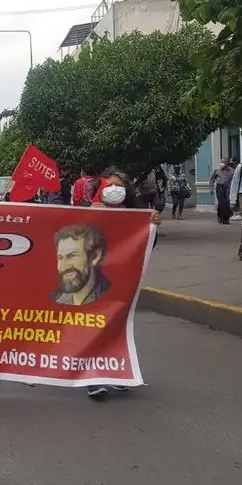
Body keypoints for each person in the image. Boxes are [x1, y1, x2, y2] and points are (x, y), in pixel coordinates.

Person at [87, 167, 161, 400]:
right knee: (93, 327)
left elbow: (147, 245)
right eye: (108, 185)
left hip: (122, 282)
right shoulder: (89, 211)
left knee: (117, 327)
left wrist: (153, 225)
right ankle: (93, 377)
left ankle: (115, 372)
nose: (113, 189)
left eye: (118, 186)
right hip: (93, 280)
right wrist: (89, 216)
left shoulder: (136, 215)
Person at [52, 224, 110, 306]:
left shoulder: (112, 297)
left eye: (73, 256)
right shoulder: (55, 298)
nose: (64, 267)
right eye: (60, 258)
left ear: (95, 257)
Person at [210, 158, 235, 224]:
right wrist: (211, 188)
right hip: (220, 187)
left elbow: (235, 180)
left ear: (227, 163)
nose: (222, 164)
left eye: (224, 162)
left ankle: (226, 219)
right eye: (221, 162)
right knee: (221, 203)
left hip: (228, 188)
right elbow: (212, 179)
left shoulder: (232, 170)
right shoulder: (217, 170)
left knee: (227, 203)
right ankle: (220, 216)